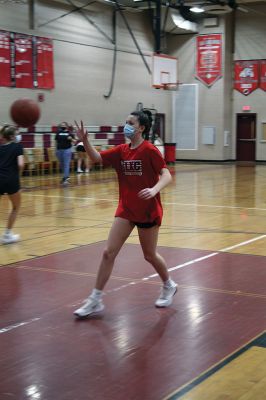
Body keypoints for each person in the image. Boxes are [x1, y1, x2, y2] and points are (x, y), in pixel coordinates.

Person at [74, 111, 177, 318]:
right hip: (127, 209)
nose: (126, 126)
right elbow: (96, 158)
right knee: (108, 253)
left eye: (131, 123)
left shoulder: (150, 150)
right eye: (126, 122)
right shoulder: (122, 150)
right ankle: (95, 299)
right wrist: (86, 141)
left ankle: (169, 284)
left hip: (148, 210)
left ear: (141, 128)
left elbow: (166, 174)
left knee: (149, 255)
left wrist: (154, 190)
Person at [0, 125, 24, 244]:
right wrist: (17, 176)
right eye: (16, 133)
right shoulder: (17, 146)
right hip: (11, 179)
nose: (18, 135)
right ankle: (7, 235)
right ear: (11, 136)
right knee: (15, 207)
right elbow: (20, 164)